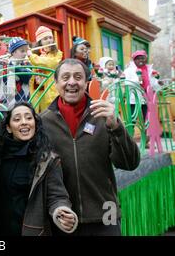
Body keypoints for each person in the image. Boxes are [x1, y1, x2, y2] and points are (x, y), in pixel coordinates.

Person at [40, 58, 140, 235]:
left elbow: (129, 163)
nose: (72, 82)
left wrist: (116, 127)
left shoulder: (103, 116)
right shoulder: (42, 122)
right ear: (56, 83)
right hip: (64, 219)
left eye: (78, 77)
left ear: (87, 82)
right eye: (65, 77)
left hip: (106, 214)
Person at [0, 102, 78, 236]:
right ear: (8, 127)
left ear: (35, 124)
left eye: (29, 118)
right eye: (17, 119)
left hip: (30, 231)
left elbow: (57, 196)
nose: (24, 122)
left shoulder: (47, 160)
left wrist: (61, 211)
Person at [28, 26, 63, 112]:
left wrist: (31, 56)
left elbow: (49, 63)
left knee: (48, 113)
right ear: (40, 42)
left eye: (50, 37)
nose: (49, 40)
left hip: (50, 89)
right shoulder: (35, 53)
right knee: (36, 110)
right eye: (45, 38)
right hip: (37, 86)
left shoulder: (57, 53)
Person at [123, 50, 163, 122]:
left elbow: (153, 84)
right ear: (134, 60)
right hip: (134, 98)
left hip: (147, 97)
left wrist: (158, 83)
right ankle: (130, 132)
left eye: (142, 58)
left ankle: (147, 133)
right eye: (138, 58)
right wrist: (137, 80)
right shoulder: (129, 70)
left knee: (147, 119)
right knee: (132, 119)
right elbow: (125, 82)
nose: (140, 60)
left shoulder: (150, 70)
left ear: (146, 59)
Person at [1, 37, 33, 109]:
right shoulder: (5, 65)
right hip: (9, 103)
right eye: (22, 51)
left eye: (26, 51)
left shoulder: (27, 64)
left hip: (24, 101)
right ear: (13, 52)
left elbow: (27, 77)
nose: (25, 54)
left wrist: (11, 65)